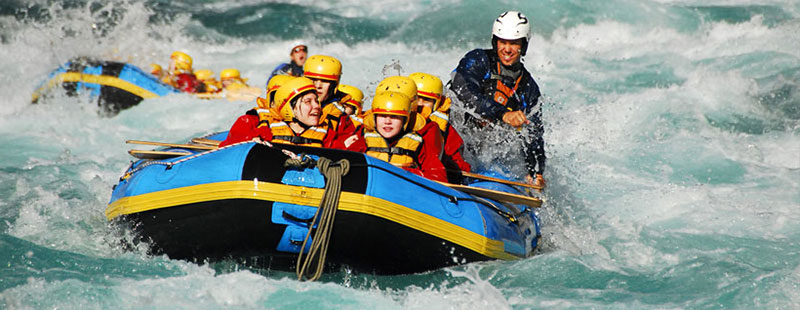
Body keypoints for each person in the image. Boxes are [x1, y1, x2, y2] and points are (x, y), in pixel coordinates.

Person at [448, 10, 546, 187]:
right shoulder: (478, 60)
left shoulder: (529, 89)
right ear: (495, 42)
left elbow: (534, 136)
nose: (507, 49)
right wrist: (502, 114)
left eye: (514, 43)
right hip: (455, 136)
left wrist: (536, 172)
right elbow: (463, 91)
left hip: (486, 152)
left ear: (523, 46)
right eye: (503, 42)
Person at [219, 77, 364, 151]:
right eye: (308, 102)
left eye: (316, 101)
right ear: (290, 109)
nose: (317, 107)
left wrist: (351, 145)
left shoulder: (328, 136)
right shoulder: (263, 132)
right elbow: (228, 153)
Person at [360, 91, 447, 182]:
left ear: (405, 120)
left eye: (394, 117)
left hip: (403, 189)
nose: (387, 121)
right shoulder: (363, 139)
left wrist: (408, 173)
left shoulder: (418, 144)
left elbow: (438, 176)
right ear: (374, 118)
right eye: (382, 116)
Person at [409, 72, 472, 182]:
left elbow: (459, 162)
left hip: (431, 175)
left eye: (426, 100)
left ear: (437, 104)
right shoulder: (390, 121)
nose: (420, 104)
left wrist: (448, 163)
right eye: (417, 98)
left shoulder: (446, 130)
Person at [302, 54, 353, 132]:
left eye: (325, 81)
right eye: (313, 79)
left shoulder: (344, 112)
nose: (318, 86)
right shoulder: (290, 104)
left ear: (333, 85)